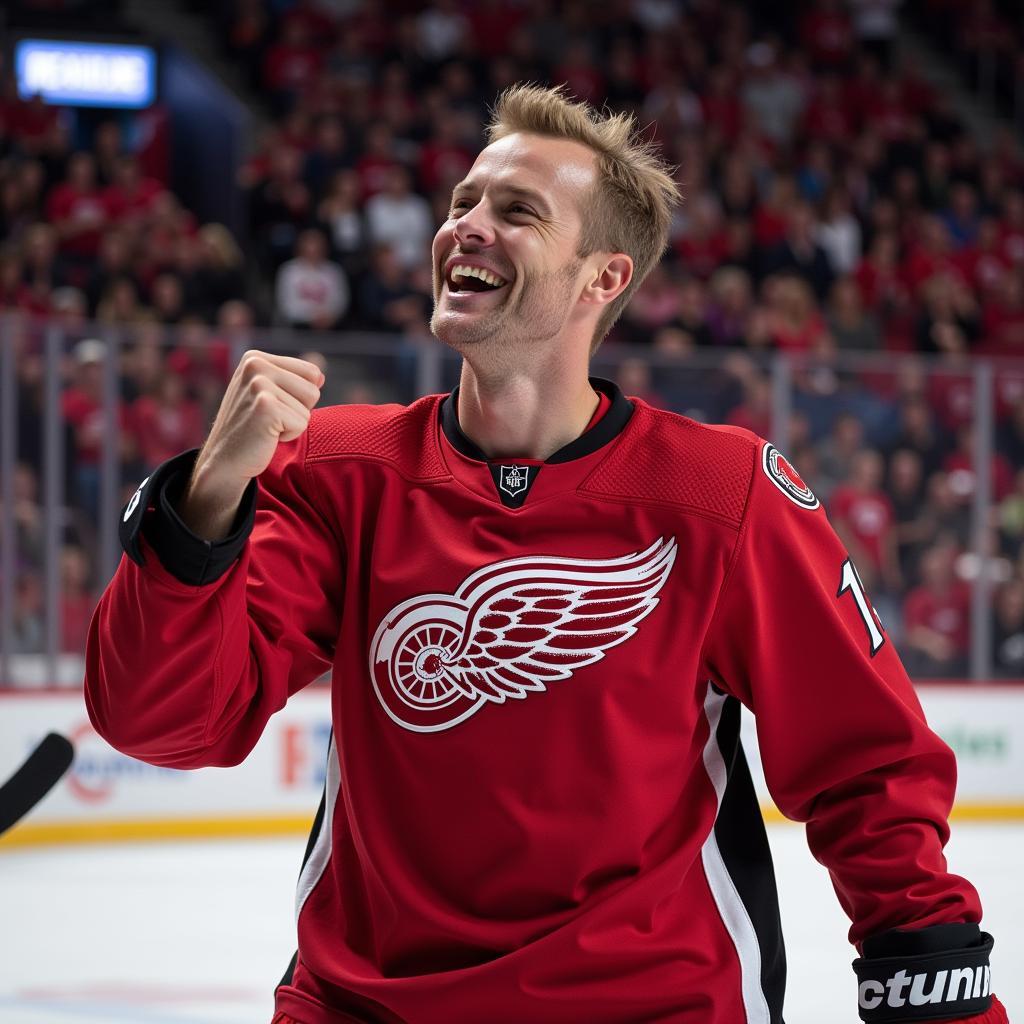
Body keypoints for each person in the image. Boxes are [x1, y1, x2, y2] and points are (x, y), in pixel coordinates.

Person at [85, 85, 1006, 1024]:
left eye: (517, 212)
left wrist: (933, 989)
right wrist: (203, 505)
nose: (466, 228)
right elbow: (162, 724)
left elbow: (869, 768)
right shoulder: (341, 471)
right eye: (462, 204)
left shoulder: (723, 496)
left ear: (603, 278)